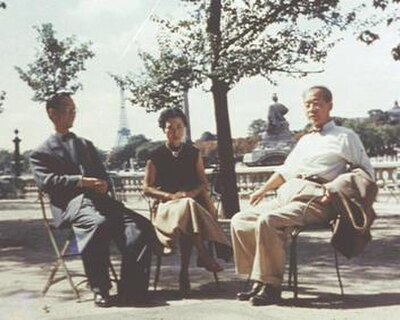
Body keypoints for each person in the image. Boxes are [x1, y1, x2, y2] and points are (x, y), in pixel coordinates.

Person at [231, 86, 374, 306]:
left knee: (269, 221)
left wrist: (335, 188)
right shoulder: (305, 140)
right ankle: (258, 279)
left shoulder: (346, 136)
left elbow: (366, 174)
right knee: (240, 220)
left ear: (329, 106)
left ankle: (271, 286)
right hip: (289, 192)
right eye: (307, 104)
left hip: (318, 197)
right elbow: (285, 171)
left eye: (317, 103)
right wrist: (262, 190)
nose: (311, 108)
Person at [30, 93, 158, 307]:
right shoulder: (40, 153)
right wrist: (81, 182)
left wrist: (104, 183)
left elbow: (102, 174)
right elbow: (48, 182)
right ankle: (101, 288)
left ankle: (131, 289)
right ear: (52, 113)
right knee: (97, 224)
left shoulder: (86, 145)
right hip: (72, 205)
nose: (73, 114)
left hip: (101, 202)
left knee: (140, 226)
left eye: (74, 109)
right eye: (68, 109)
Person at [143, 107, 231, 294]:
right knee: (188, 207)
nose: (174, 132)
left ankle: (186, 271)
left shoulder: (193, 153)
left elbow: (203, 183)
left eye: (179, 127)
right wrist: (170, 196)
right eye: (170, 128)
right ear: (163, 130)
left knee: (188, 207)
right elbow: (146, 188)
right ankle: (203, 254)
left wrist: (189, 194)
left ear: (184, 128)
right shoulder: (155, 156)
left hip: (190, 204)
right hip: (166, 206)